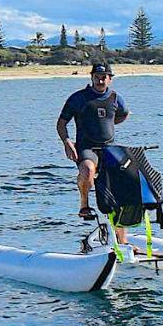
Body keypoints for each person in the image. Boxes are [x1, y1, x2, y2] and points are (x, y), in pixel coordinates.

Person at [56, 62, 127, 220]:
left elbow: (124, 114)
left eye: (103, 78)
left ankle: (122, 239)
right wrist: (67, 142)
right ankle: (84, 205)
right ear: (92, 77)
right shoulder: (79, 98)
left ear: (110, 79)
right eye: (97, 77)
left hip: (109, 148)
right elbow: (61, 124)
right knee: (88, 170)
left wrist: (108, 123)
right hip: (86, 148)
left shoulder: (116, 98)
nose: (100, 81)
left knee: (124, 181)